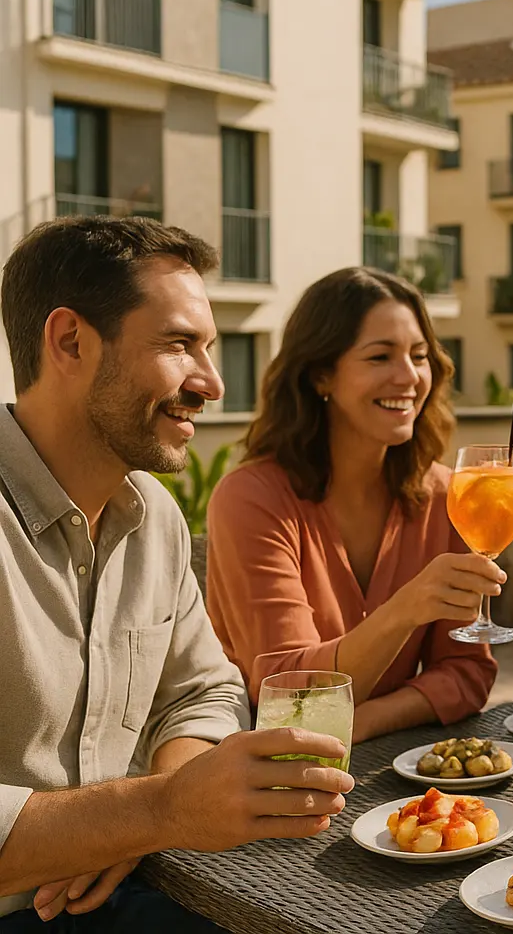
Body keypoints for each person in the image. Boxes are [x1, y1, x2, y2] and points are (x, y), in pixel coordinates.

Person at [0, 217, 353, 931]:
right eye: (178, 344)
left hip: (129, 894)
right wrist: (157, 811)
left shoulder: (152, 517)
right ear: (69, 341)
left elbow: (204, 689)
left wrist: (130, 822)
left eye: (209, 348)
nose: (212, 383)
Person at [205, 267, 500, 744]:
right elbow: (291, 694)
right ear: (322, 373)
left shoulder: (448, 497)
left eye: (420, 356)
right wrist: (405, 609)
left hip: (398, 770)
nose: (408, 377)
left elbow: (466, 672)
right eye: (381, 356)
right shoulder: (252, 499)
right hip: (276, 776)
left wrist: (361, 723)